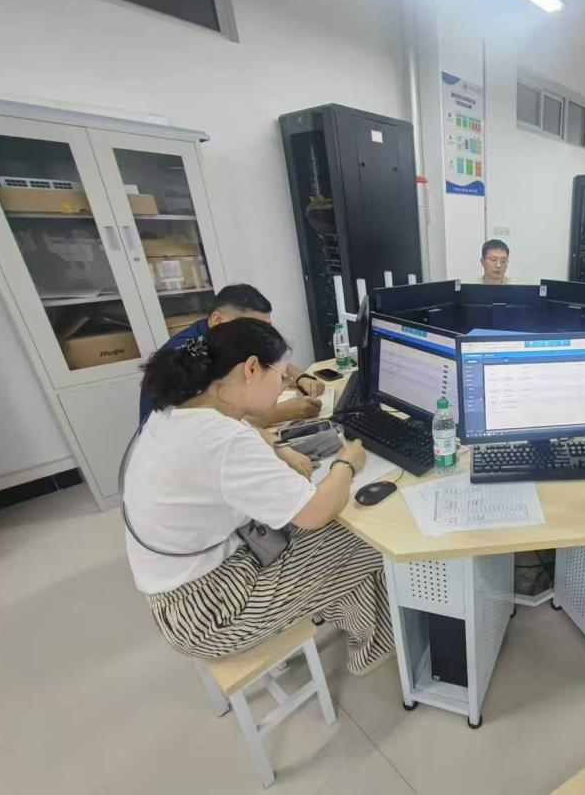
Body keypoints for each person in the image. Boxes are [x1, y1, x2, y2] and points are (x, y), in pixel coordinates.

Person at [124, 318, 393, 674]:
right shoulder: (222, 439)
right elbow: (315, 513)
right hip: (211, 613)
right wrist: (346, 463)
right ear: (251, 368)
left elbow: (243, 435)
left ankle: (357, 622)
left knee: (332, 528)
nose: (284, 387)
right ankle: (373, 644)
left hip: (183, 592)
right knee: (369, 535)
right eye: (281, 377)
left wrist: (279, 450)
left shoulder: (179, 410)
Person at [138, 284, 324, 426]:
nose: (259, 335)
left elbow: (270, 359)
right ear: (218, 319)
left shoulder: (221, 336)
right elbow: (219, 422)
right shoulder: (191, 354)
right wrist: (285, 411)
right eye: (253, 327)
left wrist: (302, 378)